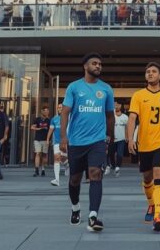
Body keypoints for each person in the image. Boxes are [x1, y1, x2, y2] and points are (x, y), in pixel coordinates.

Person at [60, 53, 114, 232]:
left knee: (95, 174)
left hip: (97, 141)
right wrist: (63, 137)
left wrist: (109, 135)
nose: (98, 66)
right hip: (76, 141)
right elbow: (65, 112)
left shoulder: (106, 89)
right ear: (85, 66)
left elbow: (109, 115)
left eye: (100, 64)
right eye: (94, 63)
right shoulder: (74, 87)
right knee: (74, 179)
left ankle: (93, 216)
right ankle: (75, 208)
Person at [125, 62, 160, 232]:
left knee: (159, 176)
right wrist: (130, 139)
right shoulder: (138, 95)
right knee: (147, 178)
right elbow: (132, 118)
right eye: (147, 71)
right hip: (145, 144)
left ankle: (158, 215)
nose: (150, 74)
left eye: (154, 71)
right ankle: (151, 204)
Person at [31, 106, 51, 177]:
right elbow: (32, 127)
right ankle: (36, 170)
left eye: (47, 111)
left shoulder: (49, 120)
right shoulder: (37, 119)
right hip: (38, 139)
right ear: (42, 111)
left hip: (45, 140)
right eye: (45, 111)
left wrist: (49, 139)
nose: (46, 112)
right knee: (38, 153)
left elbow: (51, 130)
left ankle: (43, 169)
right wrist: (38, 128)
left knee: (44, 155)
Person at [110, 101, 128, 176]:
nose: (116, 106)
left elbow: (127, 128)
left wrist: (127, 137)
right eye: (115, 105)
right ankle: (113, 165)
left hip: (121, 139)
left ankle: (117, 167)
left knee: (120, 154)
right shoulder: (111, 116)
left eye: (118, 105)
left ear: (121, 106)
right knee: (111, 154)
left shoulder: (125, 117)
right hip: (112, 139)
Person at [48, 103, 64, 186]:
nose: (59, 109)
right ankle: (57, 180)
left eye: (61, 107)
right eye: (58, 108)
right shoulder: (54, 119)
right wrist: (47, 139)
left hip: (67, 142)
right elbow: (51, 129)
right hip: (57, 142)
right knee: (56, 159)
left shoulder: (69, 118)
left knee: (67, 160)